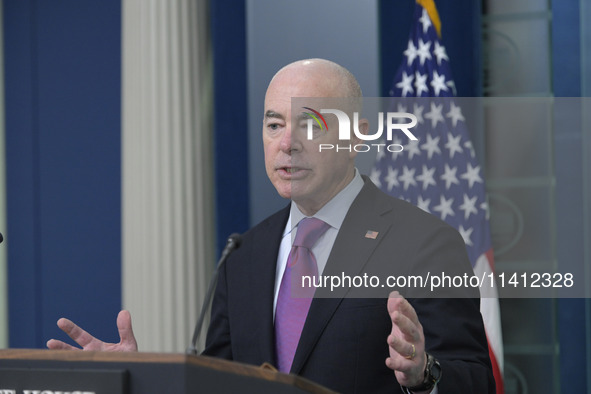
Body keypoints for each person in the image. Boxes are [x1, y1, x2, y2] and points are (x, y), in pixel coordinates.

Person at [48, 59, 495, 393]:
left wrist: (422, 375)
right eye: (274, 123)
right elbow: (217, 383)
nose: (287, 143)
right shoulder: (243, 255)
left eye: (310, 124)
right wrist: (143, 377)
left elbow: (474, 378)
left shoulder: (424, 243)